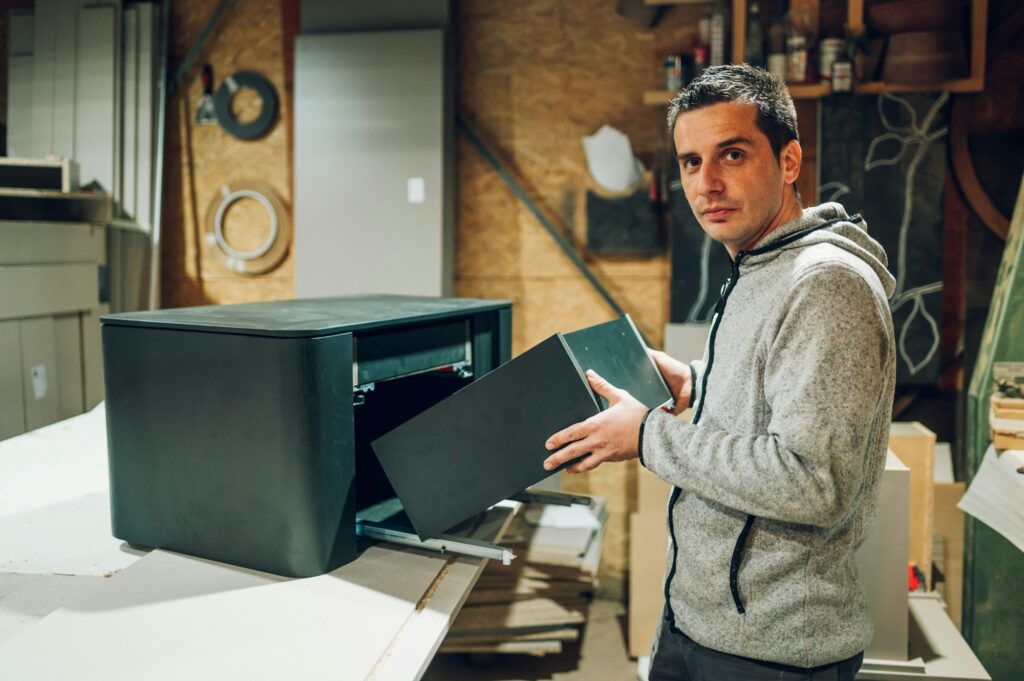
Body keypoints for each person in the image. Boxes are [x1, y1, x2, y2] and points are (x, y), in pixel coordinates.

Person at [542, 64, 896, 680]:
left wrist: (648, 436)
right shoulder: (758, 266)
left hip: (771, 651)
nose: (707, 183)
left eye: (732, 154)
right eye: (690, 161)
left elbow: (813, 481)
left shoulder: (825, 285)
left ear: (789, 161)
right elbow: (772, 393)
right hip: (697, 622)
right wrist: (694, 383)